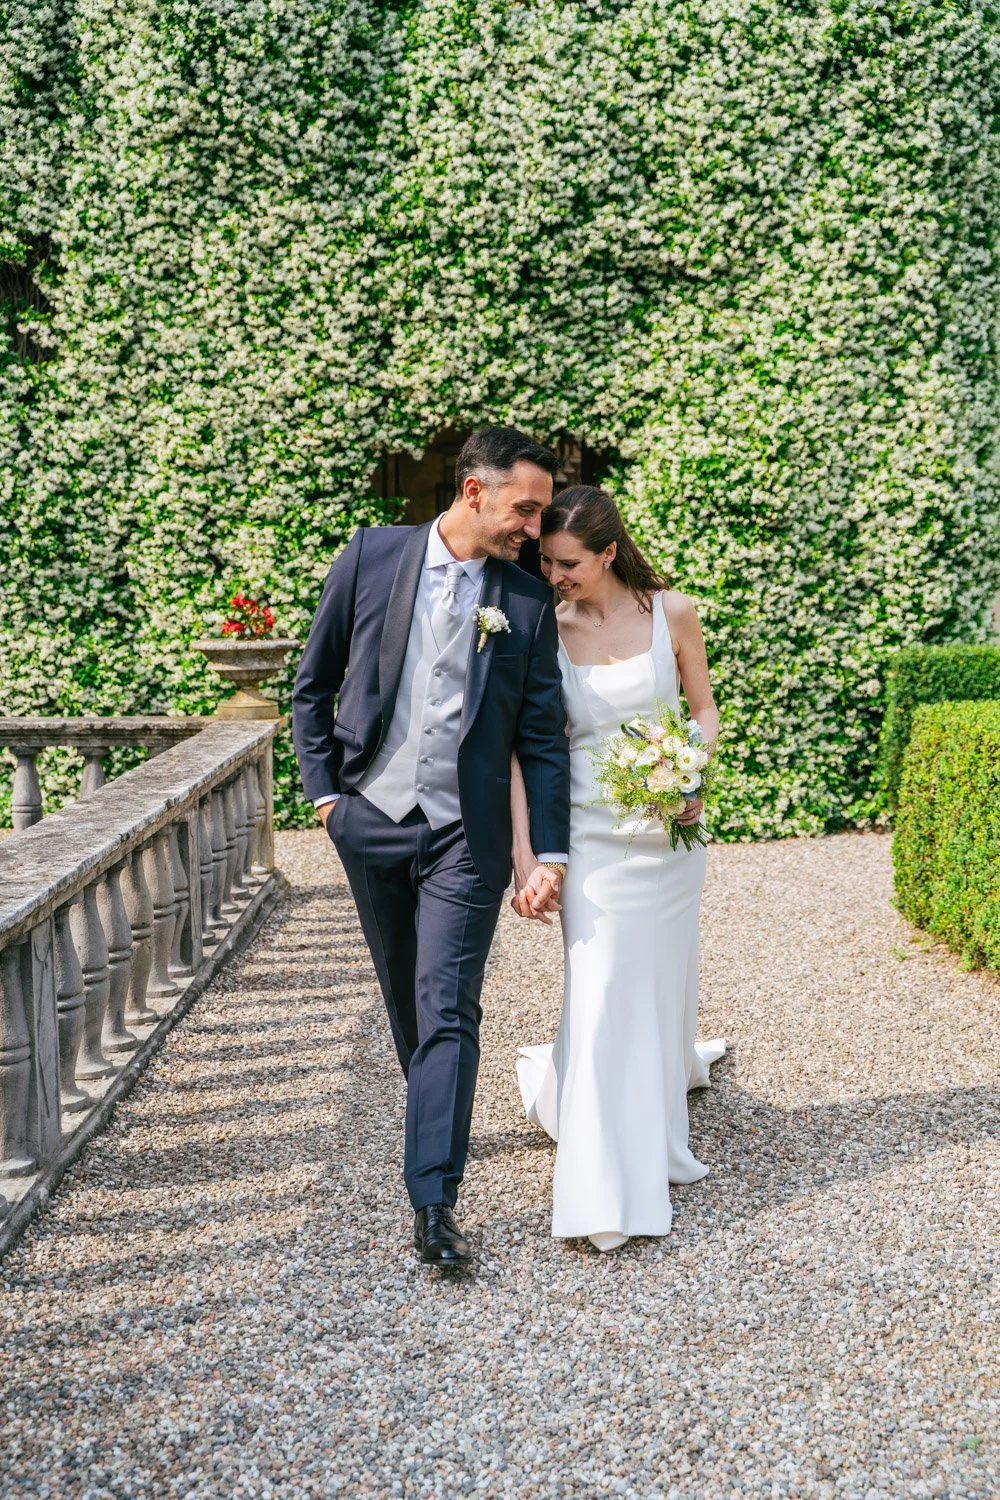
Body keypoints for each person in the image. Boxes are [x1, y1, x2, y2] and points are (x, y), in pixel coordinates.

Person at [292, 427, 571, 1267]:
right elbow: (313, 683)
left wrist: (545, 852)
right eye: (524, 508)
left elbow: (542, 738)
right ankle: (436, 1125)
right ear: (475, 491)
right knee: (409, 1004)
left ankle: (434, 1203)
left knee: (449, 1005)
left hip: (465, 833)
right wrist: (328, 799)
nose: (534, 526)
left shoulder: (524, 603)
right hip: (369, 816)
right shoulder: (372, 557)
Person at [512, 486, 726, 1252]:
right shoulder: (540, 628)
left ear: (608, 553)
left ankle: (655, 1111)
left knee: (661, 983)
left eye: (567, 562)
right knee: (599, 989)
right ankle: (603, 1187)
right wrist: (530, 853)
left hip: (668, 838)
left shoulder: (674, 612)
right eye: (545, 560)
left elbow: (703, 711)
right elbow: (521, 749)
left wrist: (688, 770)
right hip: (590, 839)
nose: (554, 574)